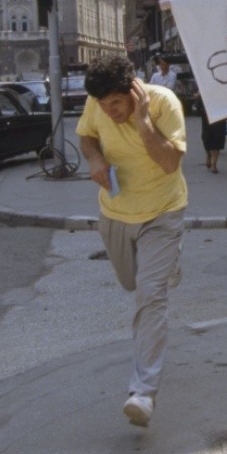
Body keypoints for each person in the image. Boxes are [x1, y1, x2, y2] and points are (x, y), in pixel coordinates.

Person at [76, 56, 187, 428]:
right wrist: (93, 159)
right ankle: (169, 261)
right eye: (103, 105)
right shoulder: (97, 105)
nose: (108, 112)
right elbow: (86, 135)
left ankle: (143, 392)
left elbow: (171, 163)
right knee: (130, 283)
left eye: (116, 104)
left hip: (162, 212)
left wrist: (142, 123)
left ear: (134, 90)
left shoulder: (164, 103)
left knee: (150, 295)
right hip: (116, 213)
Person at [194, 87, 225, 173]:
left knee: (217, 139)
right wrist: (198, 96)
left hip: (220, 115)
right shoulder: (205, 84)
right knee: (206, 138)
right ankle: (208, 154)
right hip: (207, 115)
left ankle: (214, 164)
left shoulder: (222, 86)